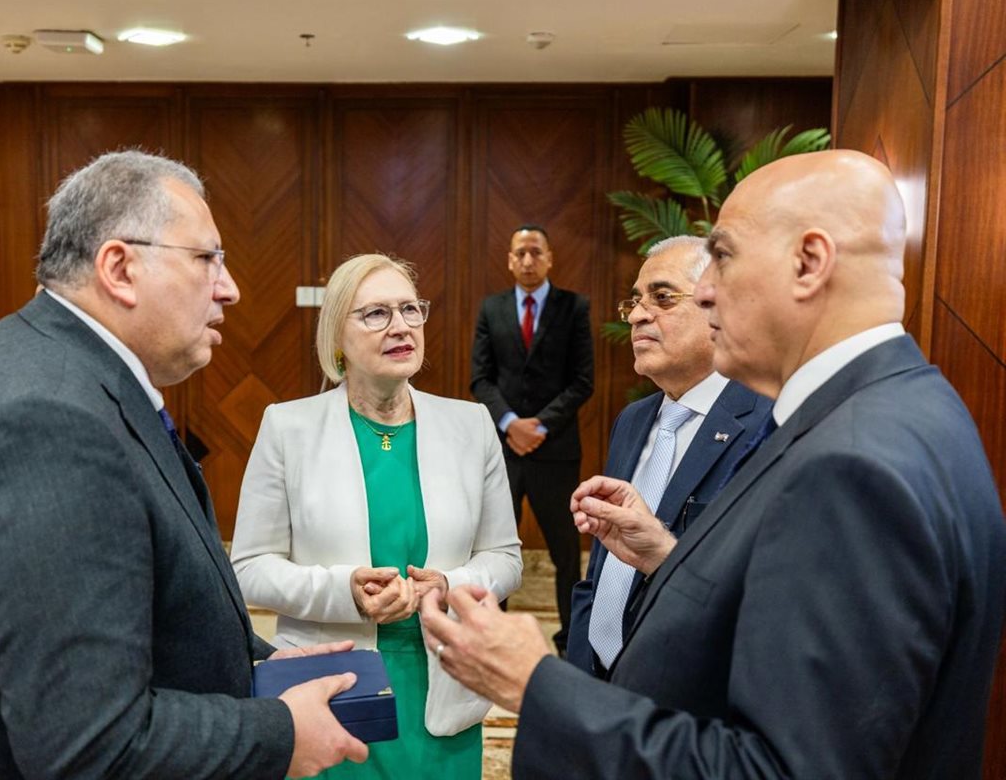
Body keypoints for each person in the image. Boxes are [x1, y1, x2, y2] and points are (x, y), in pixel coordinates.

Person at [421, 150, 1006, 778]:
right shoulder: (906, 402)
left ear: (809, 263)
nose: (705, 290)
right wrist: (665, 557)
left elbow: (777, 769)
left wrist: (533, 682)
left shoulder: (853, 464)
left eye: (722, 256)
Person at [0, 151, 367, 779]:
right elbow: (89, 744)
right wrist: (280, 732)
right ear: (119, 268)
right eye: (207, 259)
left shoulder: (46, 359)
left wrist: (255, 667)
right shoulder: (48, 421)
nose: (229, 287)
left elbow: (134, 609)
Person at [231, 253, 522, 779]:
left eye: (410, 309)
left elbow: (504, 557)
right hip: (332, 688)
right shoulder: (288, 428)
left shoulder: (471, 425)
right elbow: (249, 567)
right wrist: (345, 591)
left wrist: (449, 584)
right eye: (376, 314)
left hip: (444, 683)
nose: (401, 326)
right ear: (336, 336)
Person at [565, 235, 770, 677]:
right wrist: (581, 669)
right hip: (598, 683)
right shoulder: (633, 420)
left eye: (662, 298)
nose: (636, 315)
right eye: (635, 301)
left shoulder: (766, 426)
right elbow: (602, 570)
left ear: (719, 307)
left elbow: (762, 600)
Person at [470, 224, 592, 655]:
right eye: (519, 253)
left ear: (549, 258)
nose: (527, 260)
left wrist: (538, 425)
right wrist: (510, 423)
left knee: (565, 552)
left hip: (554, 450)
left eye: (535, 252)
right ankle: (493, 636)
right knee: (494, 547)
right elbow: (480, 379)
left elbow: (582, 381)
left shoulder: (574, 307)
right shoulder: (492, 308)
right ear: (509, 259)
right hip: (503, 450)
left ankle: (569, 641)